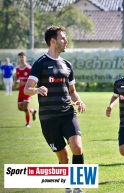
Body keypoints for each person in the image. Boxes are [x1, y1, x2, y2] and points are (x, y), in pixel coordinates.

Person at [24, 26, 86, 193]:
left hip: (68, 113)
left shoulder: (67, 65)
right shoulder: (40, 63)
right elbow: (26, 89)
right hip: (49, 119)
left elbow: (72, 92)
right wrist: (36, 90)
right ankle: (67, 184)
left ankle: (78, 185)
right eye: (63, 38)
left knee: (77, 148)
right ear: (53, 41)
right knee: (64, 158)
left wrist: (79, 101)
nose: (66, 41)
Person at [15, 52, 37, 127]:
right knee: (20, 108)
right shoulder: (17, 68)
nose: (21, 59)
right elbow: (18, 78)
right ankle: (33, 111)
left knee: (25, 107)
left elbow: (32, 81)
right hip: (21, 91)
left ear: (25, 58)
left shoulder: (29, 68)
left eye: (22, 57)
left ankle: (28, 123)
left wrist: (23, 83)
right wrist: (17, 82)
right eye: (20, 57)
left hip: (28, 91)